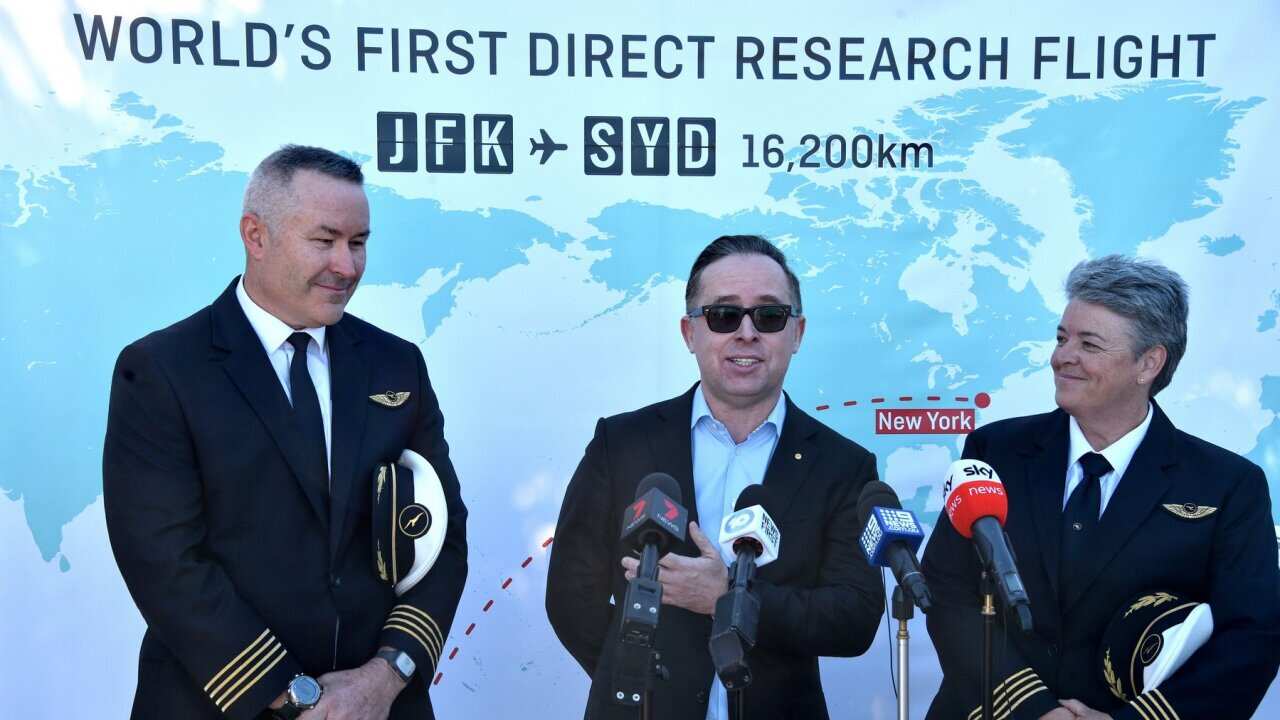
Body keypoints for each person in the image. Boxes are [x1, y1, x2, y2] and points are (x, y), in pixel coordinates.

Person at [103, 145, 468, 720]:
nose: (347, 266)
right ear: (255, 235)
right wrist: (296, 697)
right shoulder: (164, 370)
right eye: (324, 241)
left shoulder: (396, 365)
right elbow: (163, 559)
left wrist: (384, 676)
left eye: (359, 242)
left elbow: (440, 535)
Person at [922, 255, 1280, 719]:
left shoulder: (1228, 485)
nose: (1062, 357)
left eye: (1089, 344)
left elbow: (1251, 637)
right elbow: (949, 588)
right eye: (1061, 338)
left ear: (1149, 363)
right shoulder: (996, 449)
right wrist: (1033, 709)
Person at [545, 235, 884, 720]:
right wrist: (635, 679)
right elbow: (571, 594)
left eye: (768, 317)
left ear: (797, 333)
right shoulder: (620, 443)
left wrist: (727, 598)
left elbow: (853, 618)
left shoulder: (844, 466)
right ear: (689, 332)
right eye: (724, 315)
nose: (746, 333)